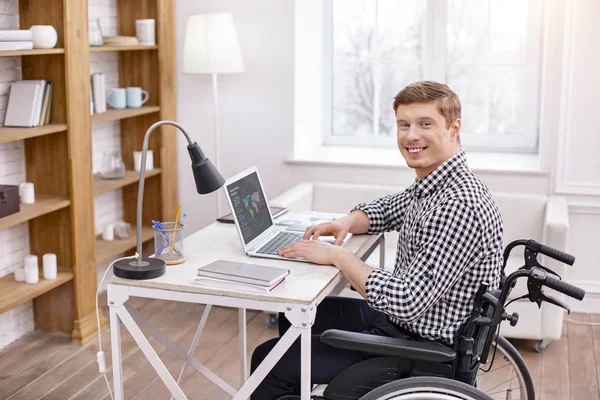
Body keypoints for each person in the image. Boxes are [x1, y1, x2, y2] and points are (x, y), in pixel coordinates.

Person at [250, 80, 504, 399]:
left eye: (425, 124)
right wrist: (346, 222)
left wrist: (338, 257)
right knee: (295, 319)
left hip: (421, 347)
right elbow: (387, 209)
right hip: (411, 325)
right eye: (404, 124)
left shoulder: (457, 206)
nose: (411, 135)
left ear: (454, 128)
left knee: (268, 359)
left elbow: (408, 300)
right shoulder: (437, 184)